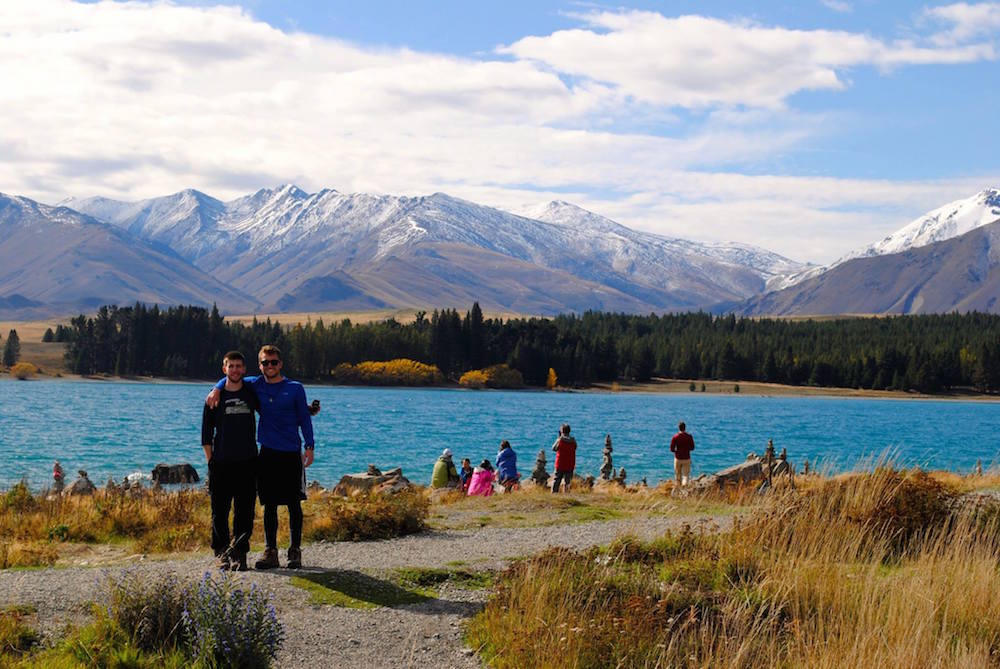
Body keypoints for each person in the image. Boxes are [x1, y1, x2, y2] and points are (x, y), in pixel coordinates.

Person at [207, 345, 316, 570]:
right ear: (259, 366)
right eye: (265, 363)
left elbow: (305, 418)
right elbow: (232, 377)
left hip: (291, 452)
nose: (269, 366)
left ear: (280, 364)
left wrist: (310, 445)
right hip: (266, 452)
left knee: (294, 503)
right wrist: (217, 388)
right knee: (270, 505)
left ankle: (295, 551)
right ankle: (271, 552)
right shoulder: (255, 385)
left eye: (273, 362)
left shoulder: (295, 388)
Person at [201, 351, 260, 571]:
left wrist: (305, 412)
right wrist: (211, 461)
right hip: (221, 463)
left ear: (244, 370)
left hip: (247, 462)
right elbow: (206, 433)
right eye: (230, 366)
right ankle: (222, 552)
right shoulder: (213, 398)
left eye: (238, 366)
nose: (235, 370)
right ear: (224, 369)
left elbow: (274, 412)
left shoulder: (251, 393)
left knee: (245, 511)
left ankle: (240, 552)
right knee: (219, 511)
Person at [551, 423, 577, 493]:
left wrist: (559, 438)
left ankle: (554, 494)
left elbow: (554, 448)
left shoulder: (560, 440)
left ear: (562, 431)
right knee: (567, 482)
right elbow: (575, 447)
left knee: (557, 480)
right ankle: (566, 494)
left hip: (560, 463)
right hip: (570, 464)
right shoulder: (573, 440)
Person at [670, 421, 695, 490]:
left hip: (678, 458)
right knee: (686, 475)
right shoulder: (689, 436)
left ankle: (679, 489)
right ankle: (684, 487)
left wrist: (676, 451)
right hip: (686, 458)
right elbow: (692, 448)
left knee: (678, 475)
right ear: (685, 428)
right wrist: (686, 449)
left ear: (679, 428)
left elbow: (672, 449)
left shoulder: (675, 437)